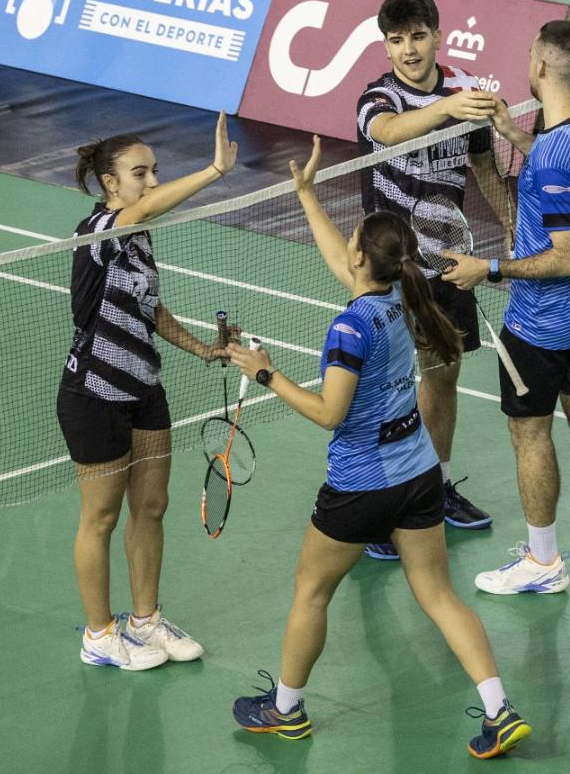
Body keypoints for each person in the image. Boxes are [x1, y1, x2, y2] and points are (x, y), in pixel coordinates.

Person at [228, 137, 531, 760]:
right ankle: (500, 709)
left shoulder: (349, 327)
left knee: (311, 592)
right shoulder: (398, 296)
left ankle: (284, 711)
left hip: (362, 484)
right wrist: (306, 195)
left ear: (363, 255)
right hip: (419, 472)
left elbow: (327, 413)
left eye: (355, 237)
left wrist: (265, 373)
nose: (348, 244)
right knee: (439, 595)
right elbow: (338, 261)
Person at [443, 21, 570, 599]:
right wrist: (516, 134)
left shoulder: (556, 157)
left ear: (539, 68)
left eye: (530, 54)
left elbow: (561, 256)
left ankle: (543, 561)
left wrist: (490, 269)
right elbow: (567, 177)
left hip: (545, 322)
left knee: (530, 434)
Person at [56, 112, 239, 670]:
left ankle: (145, 621)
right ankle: (99, 634)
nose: (153, 181)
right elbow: (146, 208)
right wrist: (213, 170)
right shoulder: (100, 230)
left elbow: (149, 307)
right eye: (141, 173)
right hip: (93, 393)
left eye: (155, 171)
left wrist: (203, 349)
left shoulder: (137, 237)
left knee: (152, 507)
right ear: (111, 184)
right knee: (102, 517)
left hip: (144, 390)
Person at [354, 0, 514, 559]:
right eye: (396, 40)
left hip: (449, 265)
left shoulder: (462, 90)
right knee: (388, 390)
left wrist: (517, 231)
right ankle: (379, 503)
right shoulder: (377, 97)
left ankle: (430, 488)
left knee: (442, 377)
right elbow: (392, 133)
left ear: (437, 34)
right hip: (389, 272)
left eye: (417, 36)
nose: (408, 50)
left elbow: (484, 169)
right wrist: (449, 106)